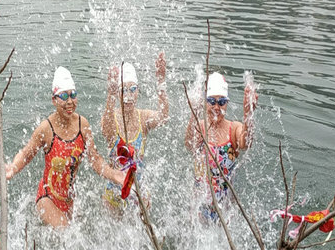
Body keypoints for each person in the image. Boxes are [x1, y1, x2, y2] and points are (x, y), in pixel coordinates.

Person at [6, 66, 124, 229]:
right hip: (47, 198)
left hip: (70, 200)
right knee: (66, 232)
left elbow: (95, 159)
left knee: (77, 237)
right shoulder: (46, 129)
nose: (69, 102)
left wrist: (114, 175)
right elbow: (26, 154)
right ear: (54, 100)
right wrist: (13, 167)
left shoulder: (83, 125)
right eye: (63, 96)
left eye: (73, 95)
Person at [100, 53, 169, 213]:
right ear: (118, 92)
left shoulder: (143, 117)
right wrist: (110, 95)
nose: (129, 96)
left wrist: (161, 82)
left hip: (140, 193)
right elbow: (106, 130)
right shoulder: (111, 118)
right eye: (124, 90)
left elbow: (164, 117)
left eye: (133, 89)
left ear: (138, 90)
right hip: (114, 193)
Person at [184, 71, 257, 222]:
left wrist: (248, 114)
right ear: (205, 102)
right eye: (211, 101)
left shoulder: (234, 129)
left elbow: (246, 143)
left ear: (227, 103)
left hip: (225, 208)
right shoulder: (200, 127)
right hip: (199, 206)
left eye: (221, 102)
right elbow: (189, 144)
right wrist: (194, 112)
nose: (216, 107)